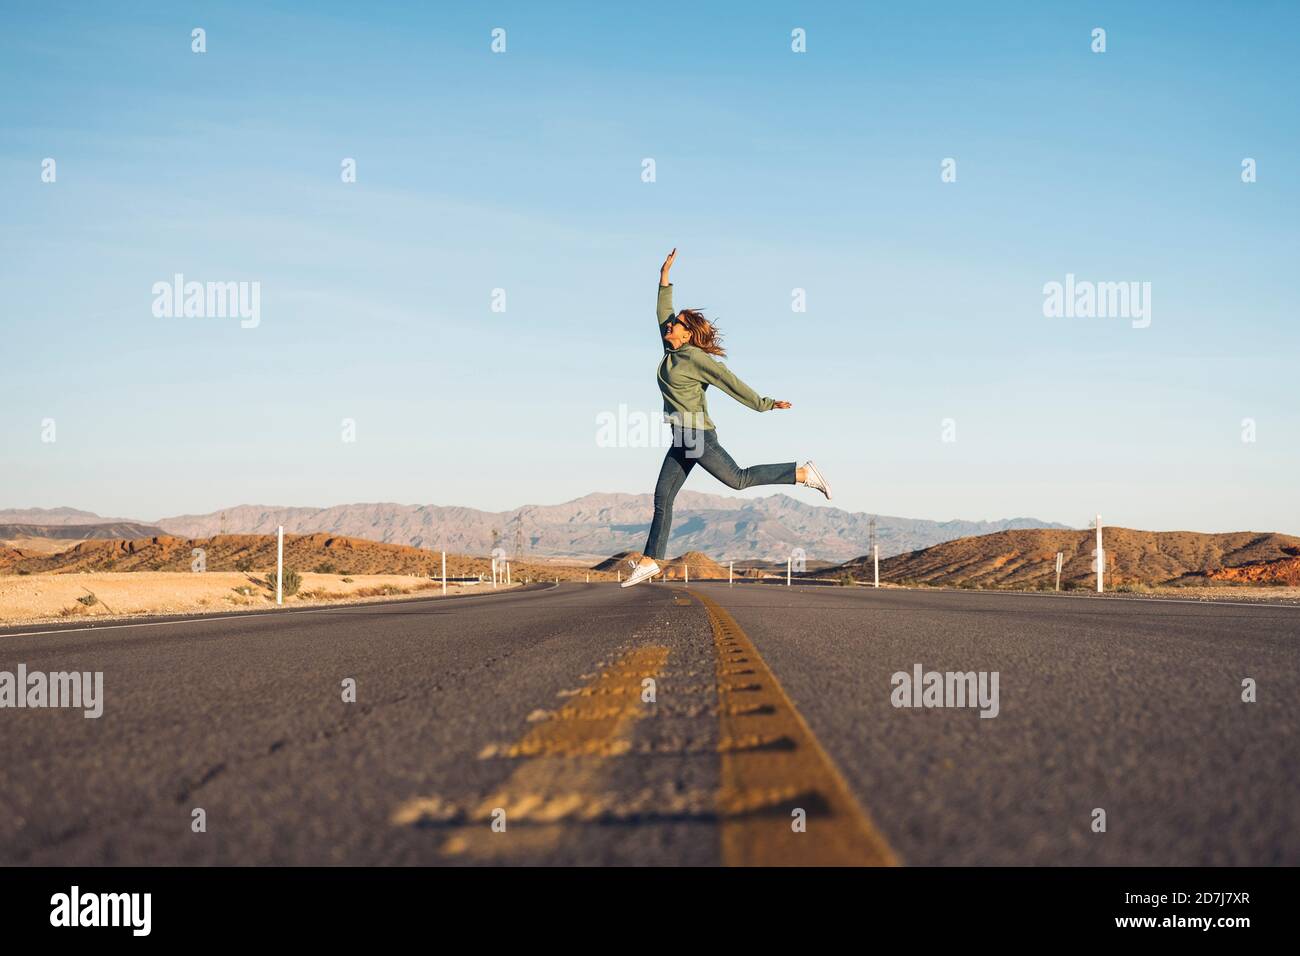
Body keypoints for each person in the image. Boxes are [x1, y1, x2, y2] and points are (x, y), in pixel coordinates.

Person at [621, 248, 831, 588]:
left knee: (738, 480)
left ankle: (802, 473)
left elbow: (729, 382)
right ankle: (650, 561)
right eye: (670, 324)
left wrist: (765, 403)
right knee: (662, 497)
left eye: (675, 325)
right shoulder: (670, 351)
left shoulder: (694, 357)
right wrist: (664, 278)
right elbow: (662, 311)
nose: (669, 325)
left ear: (686, 334)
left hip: (698, 436)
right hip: (681, 438)